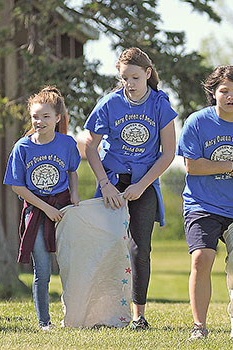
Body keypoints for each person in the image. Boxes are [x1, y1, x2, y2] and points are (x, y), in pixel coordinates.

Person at [84, 47, 177, 330]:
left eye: (135, 77)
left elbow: (169, 153)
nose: (130, 84)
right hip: (112, 182)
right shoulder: (109, 103)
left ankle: (139, 316)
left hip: (143, 183)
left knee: (140, 248)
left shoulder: (161, 104)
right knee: (107, 246)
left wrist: (141, 185)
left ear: (148, 74)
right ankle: (103, 311)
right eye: (125, 78)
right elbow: (90, 147)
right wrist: (105, 184)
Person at [176, 65, 233, 340]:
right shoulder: (197, 122)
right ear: (213, 92)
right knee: (202, 259)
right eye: (224, 91)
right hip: (202, 204)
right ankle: (199, 326)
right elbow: (193, 167)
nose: (230, 96)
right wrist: (232, 164)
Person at [4, 86, 81, 330]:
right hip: (36, 213)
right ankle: (44, 322)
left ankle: (74, 316)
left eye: (46, 116)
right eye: (36, 116)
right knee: (43, 271)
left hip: (63, 210)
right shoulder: (22, 148)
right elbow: (18, 187)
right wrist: (46, 209)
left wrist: (75, 195)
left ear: (58, 118)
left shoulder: (67, 144)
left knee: (70, 267)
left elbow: (72, 171)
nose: (39, 121)